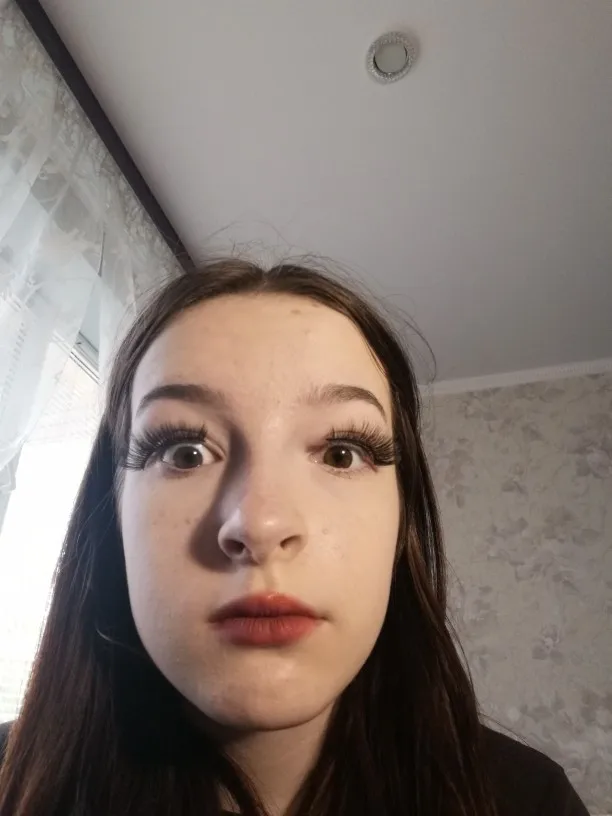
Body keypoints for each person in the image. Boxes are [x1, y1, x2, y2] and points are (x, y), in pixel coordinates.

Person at [0, 259, 589, 816]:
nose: (260, 525)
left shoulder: (531, 800)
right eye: (184, 451)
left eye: (341, 452)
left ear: (401, 523)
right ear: (112, 516)